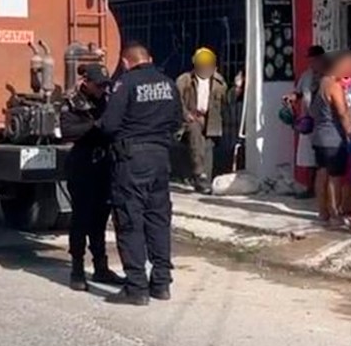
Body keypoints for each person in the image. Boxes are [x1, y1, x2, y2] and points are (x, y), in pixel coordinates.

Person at [97, 42, 182, 306]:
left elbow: (109, 126)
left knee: (130, 220)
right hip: (160, 158)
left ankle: (136, 287)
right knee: (158, 219)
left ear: (125, 62)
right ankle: (161, 283)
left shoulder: (126, 83)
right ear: (150, 58)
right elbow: (177, 121)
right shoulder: (168, 83)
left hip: (132, 159)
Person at [60, 63, 122, 292]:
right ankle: (77, 268)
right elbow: (68, 131)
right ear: (86, 82)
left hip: (104, 165)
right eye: (98, 85)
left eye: (105, 85)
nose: (102, 89)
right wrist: (97, 127)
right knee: (80, 220)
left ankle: (101, 266)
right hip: (82, 165)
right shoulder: (72, 101)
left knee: (99, 220)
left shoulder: (107, 99)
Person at [310, 51, 351, 224]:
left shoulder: (320, 84)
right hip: (333, 137)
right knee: (334, 176)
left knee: (321, 173)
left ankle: (322, 212)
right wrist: (350, 132)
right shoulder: (333, 86)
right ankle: (335, 213)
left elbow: (313, 111)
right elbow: (343, 112)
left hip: (319, 136)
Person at [175, 47, 226, 195]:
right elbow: (176, 100)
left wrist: (237, 89)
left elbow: (227, 101)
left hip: (210, 119)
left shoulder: (219, 82)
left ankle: (204, 182)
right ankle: (199, 173)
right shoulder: (185, 80)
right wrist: (186, 114)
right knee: (195, 134)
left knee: (208, 147)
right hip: (191, 118)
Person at [284, 46, 327, 199]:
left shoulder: (328, 76)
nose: (313, 62)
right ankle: (311, 188)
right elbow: (299, 93)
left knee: (324, 158)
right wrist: (291, 97)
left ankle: (325, 190)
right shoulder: (307, 76)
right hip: (308, 121)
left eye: (315, 59)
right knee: (309, 157)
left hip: (324, 123)